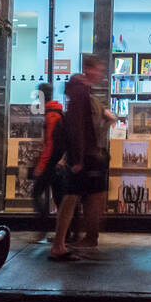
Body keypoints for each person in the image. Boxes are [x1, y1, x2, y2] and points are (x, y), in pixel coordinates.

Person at [50, 55, 115, 260]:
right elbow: (78, 127)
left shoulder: (82, 92)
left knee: (88, 196)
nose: (101, 74)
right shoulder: (81, 91)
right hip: (83, 157)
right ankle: (60, 244)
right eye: (98, 69)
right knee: (73, 197)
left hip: (86, 155)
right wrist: (78, 159)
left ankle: (82, 238)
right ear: (88, 69)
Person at [31, 82, 66, 218]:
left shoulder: (51, 116)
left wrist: (41, 166)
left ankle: (43, 226)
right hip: (57, 163)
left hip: (51, 163)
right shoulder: (57, 112)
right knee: (58, 197)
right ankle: (66, 231)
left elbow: (50, 144)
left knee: (36, 193)